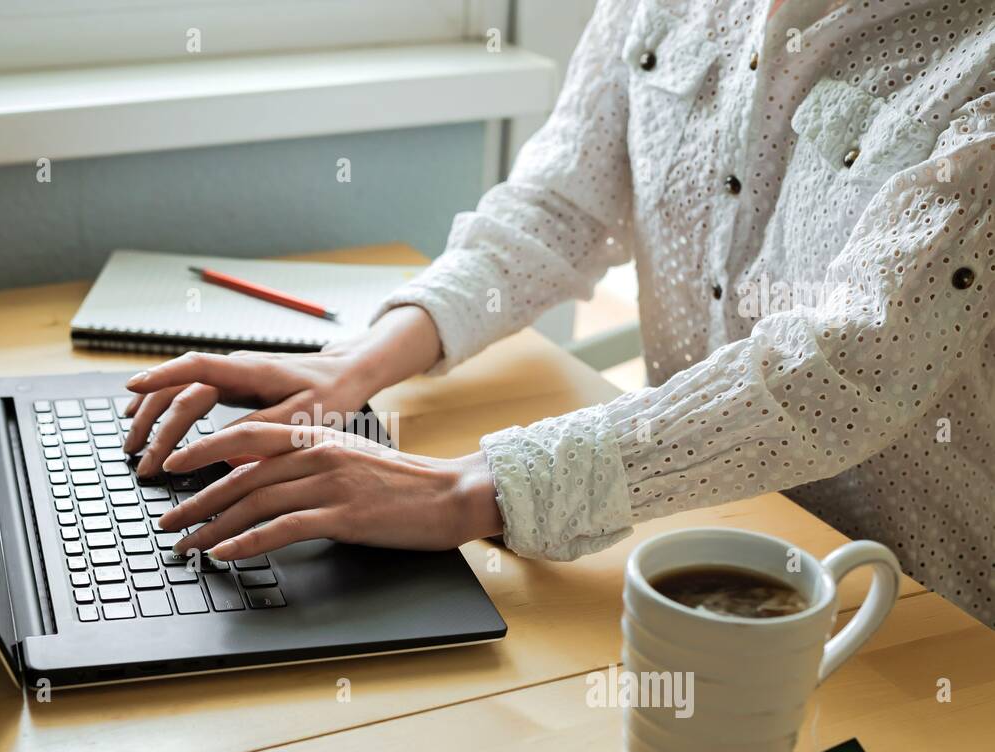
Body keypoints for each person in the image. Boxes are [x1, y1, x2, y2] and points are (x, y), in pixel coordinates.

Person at [126, 0, 995, 625]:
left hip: (919, 619)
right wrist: (361, 360)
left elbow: (848, 366)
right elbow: (566, 203)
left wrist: (475, 486)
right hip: (692, 539)